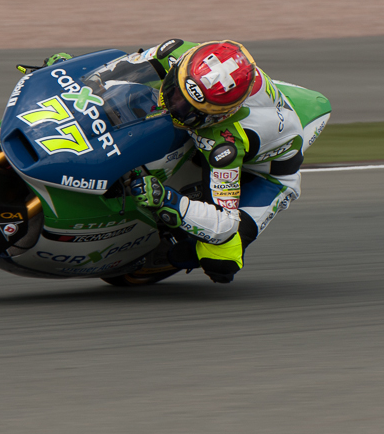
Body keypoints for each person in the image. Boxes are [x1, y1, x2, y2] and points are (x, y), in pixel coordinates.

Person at [124, 39, 324, 284]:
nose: (174, 105)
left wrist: (167, 200)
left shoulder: (227, 141)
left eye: (189, 109)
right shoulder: (186, 56)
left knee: (222, 262)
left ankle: (168, 245)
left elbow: (224, 224)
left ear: (221, 116)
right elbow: (125, 64)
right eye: (176, 92)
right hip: (253, 110)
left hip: (267, 178)